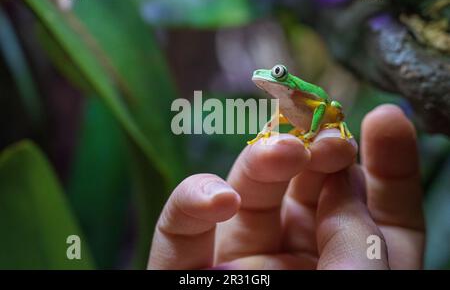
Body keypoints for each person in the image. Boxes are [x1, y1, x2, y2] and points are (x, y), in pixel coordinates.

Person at [148, 104, 425, 270]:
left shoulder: (299, 97)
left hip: (323, 114)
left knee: (332, 145)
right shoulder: (282, 108)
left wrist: (312, 131)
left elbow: (320, 106)